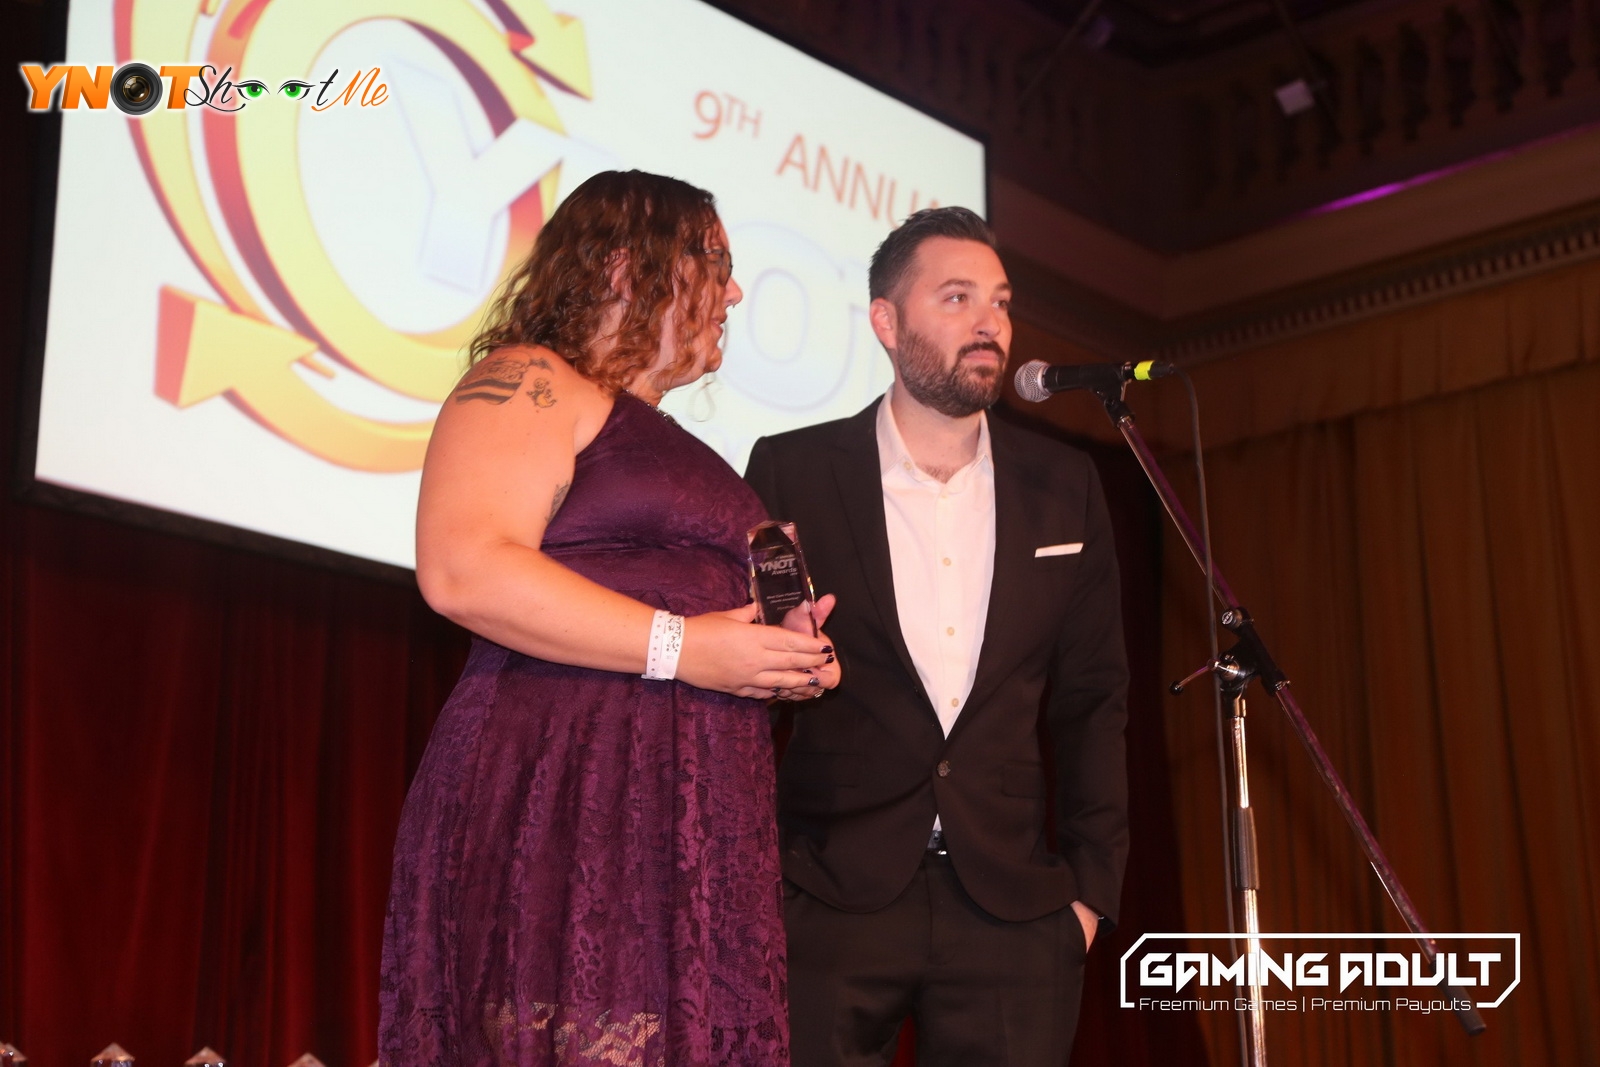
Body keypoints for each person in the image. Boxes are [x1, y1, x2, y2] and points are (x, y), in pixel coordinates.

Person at [380, 170, 839, 1067]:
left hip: (690, 813)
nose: (736, 292)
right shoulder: (527, 377)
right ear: (628, 268)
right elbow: (463, 569)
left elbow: (729, 626)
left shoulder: (676, 443)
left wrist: (789, 657)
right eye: (717, 264)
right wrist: (685, 645)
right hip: (571, 787)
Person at [743, 207, 1129, 1066]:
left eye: (1001, 301)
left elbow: (1094, 699)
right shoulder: (792, 468)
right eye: (957, 298)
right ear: (886, 321)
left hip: (1014, 910)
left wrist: (1089, 898)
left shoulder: (1064, 483)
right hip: (831, 895)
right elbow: (747, 685)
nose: (990, 322)